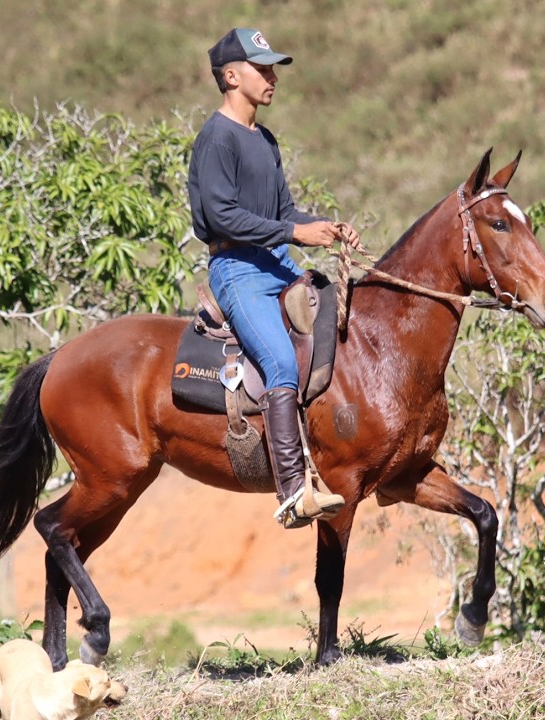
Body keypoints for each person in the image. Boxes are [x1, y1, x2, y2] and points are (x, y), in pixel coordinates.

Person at [187, 27, 363, 529]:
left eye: (273, 69)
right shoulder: (216, 138)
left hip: (276, 263)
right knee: (282, 363)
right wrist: (294, 231)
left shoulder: (264, 139)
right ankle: (292, 493)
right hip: (238, 269)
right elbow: (221, 218)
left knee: (337, 320)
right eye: (262, 69)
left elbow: (285, 210)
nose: (272, 78)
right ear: (231, 75)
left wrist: (321, 227)